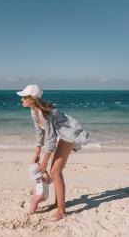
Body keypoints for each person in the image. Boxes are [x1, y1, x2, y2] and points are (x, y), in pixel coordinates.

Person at [16, 84, 89, 221]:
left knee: (55, 171)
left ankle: (61, 211)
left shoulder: (45, 113)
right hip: (61, 134)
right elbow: (39, 134)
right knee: (55, 170)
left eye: (24, 97)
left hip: (69, 134)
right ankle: (57, 203)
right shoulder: (34, 112)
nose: (22, 100)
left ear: (32, 99)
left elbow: (50, 139)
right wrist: (37, 153)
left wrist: (44, 161)